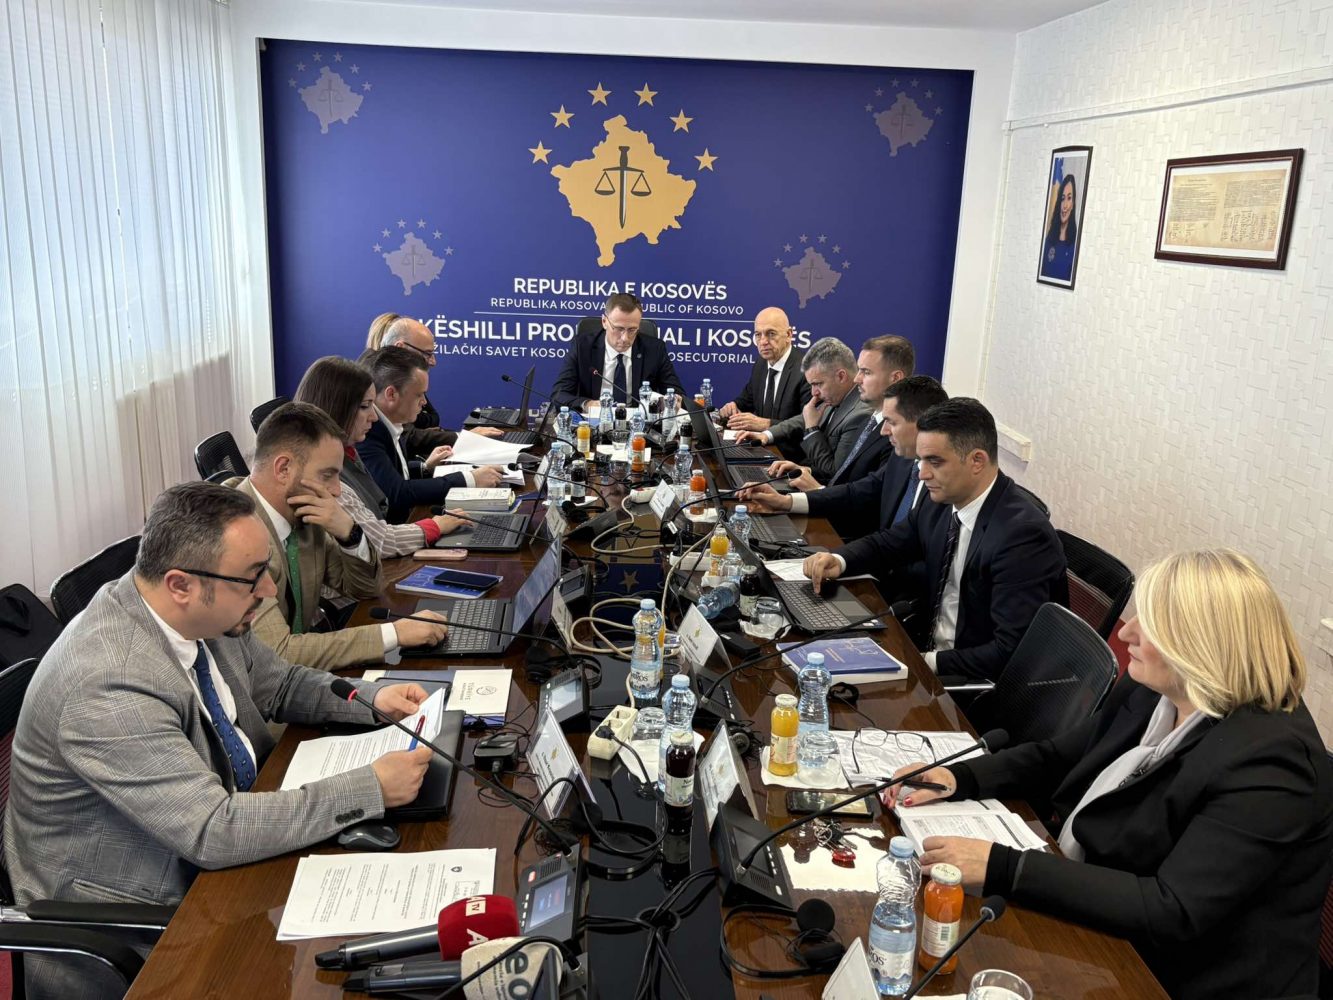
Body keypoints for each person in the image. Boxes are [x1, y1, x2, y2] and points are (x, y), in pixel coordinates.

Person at [2, 482, 436, 1000]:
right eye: (253, 577)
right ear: (180, 584)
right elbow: (212, 830)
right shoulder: (107, 683)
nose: (268, 591)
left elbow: (280, 683)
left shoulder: (197, 613)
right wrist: (370, 789)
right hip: (145, 924)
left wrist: (373, 699)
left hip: (214, 859)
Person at [884, 549, 1333, 1000]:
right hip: (1106, 919)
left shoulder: (1274, 763)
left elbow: (1173, 908)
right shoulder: (1157, 688)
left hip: (1180, 977)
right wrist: (957, 778)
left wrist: (1003, 867)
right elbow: (1059, 756)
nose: (1126, 632)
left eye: (1150, 625)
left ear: (1200, 646)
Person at [802, 397, 1066, 680]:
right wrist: (839, 560)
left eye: (935, 462)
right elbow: (889, 543)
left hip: (968, 680)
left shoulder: (1022, 536)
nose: (922, 474)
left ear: (977, 461)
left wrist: (922, 661)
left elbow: (1010, 651)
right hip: (923, 646)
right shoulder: (942, 500)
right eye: (921, 460)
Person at [233, 401, 448, 669]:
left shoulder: (304, 512)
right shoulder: (235, 536)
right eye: (327, 476)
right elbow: (278, 653)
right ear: (283, 469)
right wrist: (394, 634)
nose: (336, 490)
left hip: (300, 677)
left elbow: (366, 587)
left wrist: (350, 533)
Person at [743, 375, 947, 545]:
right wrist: (786, 502)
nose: (884, 431)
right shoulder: (902, 459)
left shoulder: (945, 483)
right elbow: (857, 491)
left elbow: (872, 520)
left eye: (891, 422)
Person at [294, 356, 467, 557]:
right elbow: (379, 541)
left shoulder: (348, 450)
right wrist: (435, 526)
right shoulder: (323, 475)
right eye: (365, 406)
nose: (374, 416)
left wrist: (424, 468)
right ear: (336, 408)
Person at [357, 347, 506, 524]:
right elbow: (396, 493)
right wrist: (469, 479)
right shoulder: (368, 431)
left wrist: (425, 468)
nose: (424, 402)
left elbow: (391, 473)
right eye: (419, 395)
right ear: (391, 394)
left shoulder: (391, 421)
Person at [762, 334, 913, 491]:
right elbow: (845, 476)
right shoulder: (866, 414)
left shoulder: (866, 416)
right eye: (859, 370)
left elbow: (858, 488)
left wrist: (818, 491)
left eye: (866, 372)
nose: (857, 379)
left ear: (896, 378)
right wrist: (805, 470)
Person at [737, 337, 868, 483]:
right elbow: (805, 417)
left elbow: (834, 473)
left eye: (818, 384)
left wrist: (812, 430)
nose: (814, 393)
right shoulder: (837, 395)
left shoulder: (860, 415)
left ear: (841, 376)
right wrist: (766, 435)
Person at [366, 313, 504, 448]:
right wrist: (463, 437)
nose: (433, 361)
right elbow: (408, 437)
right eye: (427, 354)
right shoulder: (371, 379)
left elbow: (431, 419)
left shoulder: (409, 377)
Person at [550, 292, 684, 410]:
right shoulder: (582, 347)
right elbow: (558, 395)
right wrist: (587, 404)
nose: (625, 338)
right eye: (619, 329)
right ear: (604, 322)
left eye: (632, 330)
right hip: (595, 421)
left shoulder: (655, 349)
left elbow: (676, 392)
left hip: (639, 423)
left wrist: (675, 401)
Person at [716, 306, 810, 430]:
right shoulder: (761, 364)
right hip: (759, 441)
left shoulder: (807, 371)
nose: (763, 341)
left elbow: (809, 423)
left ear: (788, 335)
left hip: (789, 443)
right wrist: (733, 407)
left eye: (771, 334)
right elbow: (746, 401)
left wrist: (766, 424)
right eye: (758, 335)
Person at [1040, 173, 1078, 282]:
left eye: (1069, 198)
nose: (1065, 205)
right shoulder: (1049, 240)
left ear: (1073, 204)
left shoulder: (1075, 246)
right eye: (1062, 198)